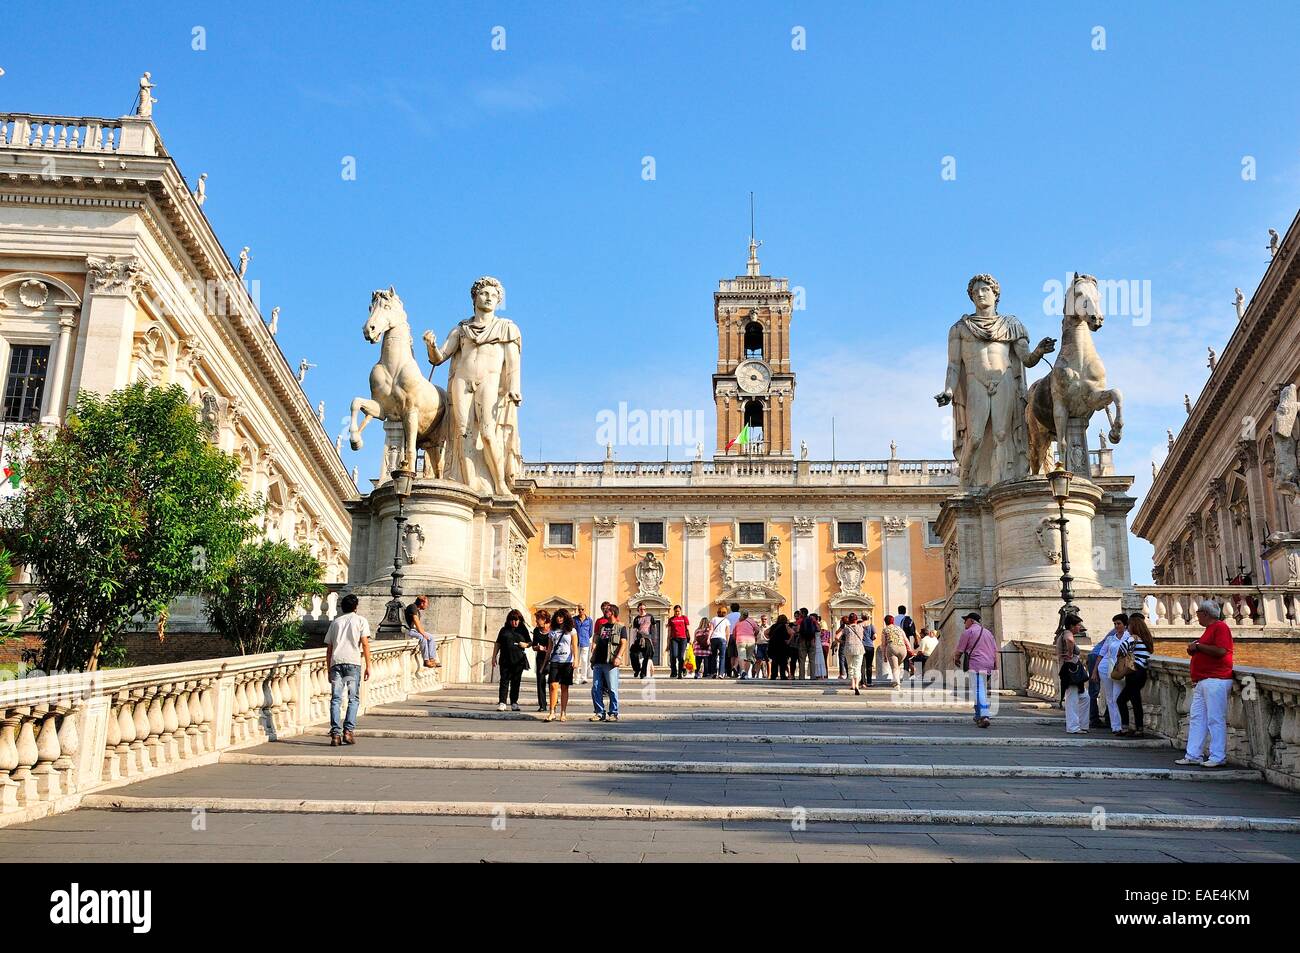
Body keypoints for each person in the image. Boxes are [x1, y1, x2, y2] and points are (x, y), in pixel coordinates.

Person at [1176, 600, 1234, 768]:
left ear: (1205, 614)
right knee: (1197, 718)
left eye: (1198, 613)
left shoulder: (1220, 627)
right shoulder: (1210, 630)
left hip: (1216, 679)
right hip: (1203, 681)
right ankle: (1193, 754)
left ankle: (1218, 756)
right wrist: (1196, 647)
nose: (1197, 616)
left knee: (1215, 719)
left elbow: (1222, 651)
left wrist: (1199, 647)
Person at [324, 593, 371, 746]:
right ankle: (348, 732)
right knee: (353, 698)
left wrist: (328, 667)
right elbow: (364, 644)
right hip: (352, 663)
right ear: (356, 607)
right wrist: (369, 665)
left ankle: (335, 734)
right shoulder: (360, 621)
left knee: (336, 698)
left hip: (336, 663)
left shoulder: (336, 622)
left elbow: (329, 648)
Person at [952, 611, 996, 728]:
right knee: (981, 688)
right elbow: (995, 650)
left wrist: (956, 658)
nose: (964, 623)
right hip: (989, 664)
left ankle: (984, 715)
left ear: (971, 620)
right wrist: (995, 666)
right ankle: (978, 715)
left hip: (976, 663)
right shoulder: (988, 633)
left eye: (965, 620)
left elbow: (960, 650)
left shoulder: (968, 632)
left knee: (978, 689)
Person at [1115, 611, 1154, 738]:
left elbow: (1121, 649)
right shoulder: (1146, 639)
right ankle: (1139, 728)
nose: (1128, 627)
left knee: (1121, 700)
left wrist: (1122, 658)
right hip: (1141, 672)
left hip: (1133, 673)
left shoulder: (1133, 637)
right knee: (1135, 700)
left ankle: (1126, 727)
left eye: (1129, 625)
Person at [590, 605, 627, 721]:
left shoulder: (621, 627)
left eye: (608, 610)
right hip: (598, 661)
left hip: (610, 662)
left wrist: (619, 657)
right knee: (596, 688)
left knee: (612, 688)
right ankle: (599, 712)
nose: (605, 612)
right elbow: (597, 639)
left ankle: (613, 713)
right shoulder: (602, 626)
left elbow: (623, 643)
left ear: (613, 613)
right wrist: (593, 654)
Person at [492, 608, 532, 711]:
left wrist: (526, 645)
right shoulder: (504, 630)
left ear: (520, 620)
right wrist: (494, 657)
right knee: (504, 681)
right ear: (509, 620)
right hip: (505, 659)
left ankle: (514, 702)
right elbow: (498, 643)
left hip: (518, 660)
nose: (515, 622)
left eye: (517, 620)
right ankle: (502, 702)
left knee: (516, 682)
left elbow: (530, 643)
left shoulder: (523, 629)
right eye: (512, 620)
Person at [1095, 613, 1129, 737]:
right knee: (1109, 697)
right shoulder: (1111, 638)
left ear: (1125, 625)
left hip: (1120, 670)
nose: (1116, 626)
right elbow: (1101, 654)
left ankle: (1121, 725)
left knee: (1117, 697)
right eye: (1115, 624)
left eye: (1118, 623)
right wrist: (1094, 671)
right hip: (1106, 668)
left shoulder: (1129, 637)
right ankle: (1115, 726)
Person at [1057, 614, 1090, 733]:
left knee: (1085, 697)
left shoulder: (1065, 633)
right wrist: (1071, 653)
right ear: (1072, 626)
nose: (1080, 627)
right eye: (1078, 625)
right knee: (1072, 699)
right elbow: (1070, 640)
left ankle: (1082, 724)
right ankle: (1073, 727)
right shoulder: (1067, 633)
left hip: (1072, 671)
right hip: (1070, 671)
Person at [544, 607, 577, 722]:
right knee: (553, 686)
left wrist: (576, 660)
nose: (559, 618)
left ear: (566, 618)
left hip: (567, 661)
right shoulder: (552, 631)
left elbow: (574, 646)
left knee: (564, 687)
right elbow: (549, 648)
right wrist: (544, 664)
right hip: (555, 661)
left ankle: (563, 712)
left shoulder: (571, 631)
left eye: (561, 616)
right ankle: (552, 712)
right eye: (557, 616)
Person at [833, 612, 867, 695]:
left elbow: (836, 637)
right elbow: (866, 623)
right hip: (859, 648)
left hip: (848, 648)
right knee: (857, 667)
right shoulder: (860, 627)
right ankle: (857, 685)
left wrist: (842, 641)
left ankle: (852, 684)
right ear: (856, 620)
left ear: (849, 620)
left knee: (850, 667)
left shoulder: (846, 628)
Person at [404, 595, 439, 669]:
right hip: (408, 631)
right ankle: (426, 660)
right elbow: (416, 622)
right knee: (422, 637)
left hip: (414, 631)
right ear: (422, 603)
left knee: (431, 637)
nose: (427, 605)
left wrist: (424, 633)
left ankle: (432, 659)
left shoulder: (417, 610)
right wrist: (423, 634)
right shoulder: (413, 607)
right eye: (427, 603)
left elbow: (418, 625)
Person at [880, 614, 911, 689]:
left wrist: (884, 655)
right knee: (898, 666)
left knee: (894, 667)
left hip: (892, 648)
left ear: (885, 622)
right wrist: (910, 649)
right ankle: (895, 679)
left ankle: (897, 683)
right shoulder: (899, 628)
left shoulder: (885, 630)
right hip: (903, 649)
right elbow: (906, 639)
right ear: (893, 621)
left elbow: (883, 644)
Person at [530, 609, 552, 711]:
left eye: (538, 619)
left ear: (544, 619)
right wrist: (538, 648)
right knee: (540, 681)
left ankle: (554, 701)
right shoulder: (536, 631)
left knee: (553, 682)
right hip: (540, 658)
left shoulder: (552, 630)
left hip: (552, 658)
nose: (536, 621)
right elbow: (533, 646)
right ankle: (542, 705)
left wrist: (548, 649)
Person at [666, 605, 691, 679]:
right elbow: (669, 631)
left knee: (680, 656)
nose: (677, 613)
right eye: (676, 611)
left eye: (678, 611)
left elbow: (687, 629)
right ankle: (674, 671)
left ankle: (680, 672)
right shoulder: (671, 619)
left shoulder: (684, 618)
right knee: (674, 655)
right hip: (674, 639)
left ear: (680, 611)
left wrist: (690, 639)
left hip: (683, 639)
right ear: (674, 611)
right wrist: (668, 643)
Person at [630, 603, 655, 678]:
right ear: (638, 610)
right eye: (641, 609)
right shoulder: (636, 619)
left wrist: (654, 639)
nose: (642, 610)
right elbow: (634, 630)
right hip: (638, 638)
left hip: (647, 638)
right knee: (633, 653)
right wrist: (633, 641)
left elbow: (654, 628)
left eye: (644, 609)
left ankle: (643, 673)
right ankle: (637, 669)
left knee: (646, 656)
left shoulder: (650, 616)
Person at [733, 610, 758, 679]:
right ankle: (746, 674)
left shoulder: (738, 622)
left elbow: (734, 633)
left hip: (740, 640)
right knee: (749, 658)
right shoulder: (751, 621)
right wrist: (754, 635)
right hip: (751, 641)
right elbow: (757, 630)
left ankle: (743, 671)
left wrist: (736, 639)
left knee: (741, 656)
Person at [574, 603, 594, 685]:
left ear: (585, 610)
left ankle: (584, 677)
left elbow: (590, 632)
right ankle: (576, 677)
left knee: (584, 660)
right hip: (576, 643)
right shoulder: (574, 619)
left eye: (582, 609)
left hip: (585, 642)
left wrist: (585, 638)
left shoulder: (589, 620)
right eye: (579, 609)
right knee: (576, 660)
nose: (580, 611)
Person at [709, 606, 731, 680]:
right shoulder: (726, 620)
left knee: (713, 656)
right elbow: (727, 633)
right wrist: (727, 642)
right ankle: (721, 674)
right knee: (722, 657)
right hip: (722, 639)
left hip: (714, 639)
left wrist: (708, 638)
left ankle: (713, 673)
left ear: (717, 612)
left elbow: (711, 630)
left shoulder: (713, 619)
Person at [861, 612, 877, 685]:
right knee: (869, 665)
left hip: (861, 646)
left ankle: (862, 681)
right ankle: (869, 682)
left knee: (861, 665)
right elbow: (875, 636)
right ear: (868, 617)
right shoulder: (871, 626)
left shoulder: (859, 625)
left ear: (862, 617)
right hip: (870, 646)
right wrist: (870, 639)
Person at [755, 613, 771, 679]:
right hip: (759, 645)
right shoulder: (758, 628)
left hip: (767, 645)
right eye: (762, 619)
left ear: (767, 620)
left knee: (768, 661)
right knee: (759, 660)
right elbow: (755, 635)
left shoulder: (769, 627)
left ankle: (769, 675)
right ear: (761, 620)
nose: (764, 620)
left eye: (765, 619)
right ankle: (757, 675)